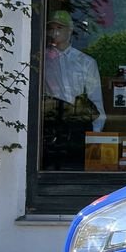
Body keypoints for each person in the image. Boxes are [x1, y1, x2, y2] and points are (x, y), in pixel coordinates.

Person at [42, 10, 105, 168]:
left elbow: (95, 99)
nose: (55, 32)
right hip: (49, 124)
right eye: (51, 28)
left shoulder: (85, 62)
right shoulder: (42, 60)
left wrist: (94, 138)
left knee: (74, 166)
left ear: (70, 31)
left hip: (77, 126)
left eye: (60, 28)